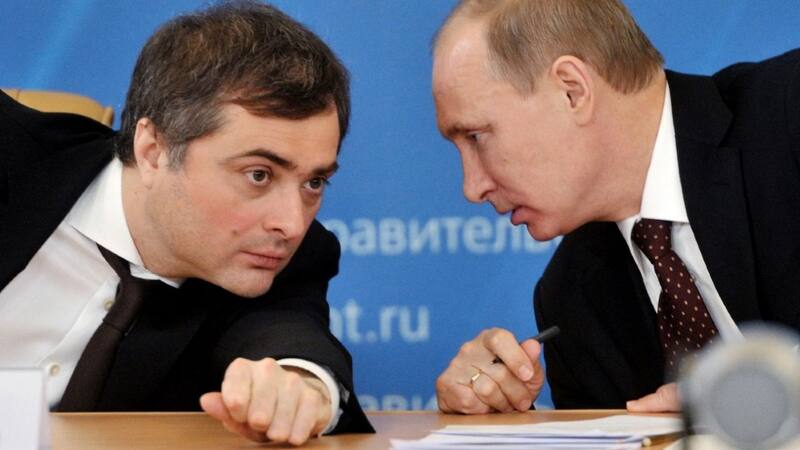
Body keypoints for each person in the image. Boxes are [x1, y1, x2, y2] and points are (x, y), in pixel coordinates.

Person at [0, 1, 373, 445]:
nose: (292, 224)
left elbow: (290, 342)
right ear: (153, 150)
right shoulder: (12, 151)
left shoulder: (280, 261)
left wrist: (301, 388)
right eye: (259, 175)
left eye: (314, 182)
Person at [432, 0, 800, 415]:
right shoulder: (570, 300)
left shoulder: (789, 112)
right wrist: (500, 419)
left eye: (476, 136)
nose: (471, 188)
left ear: (572, 90)